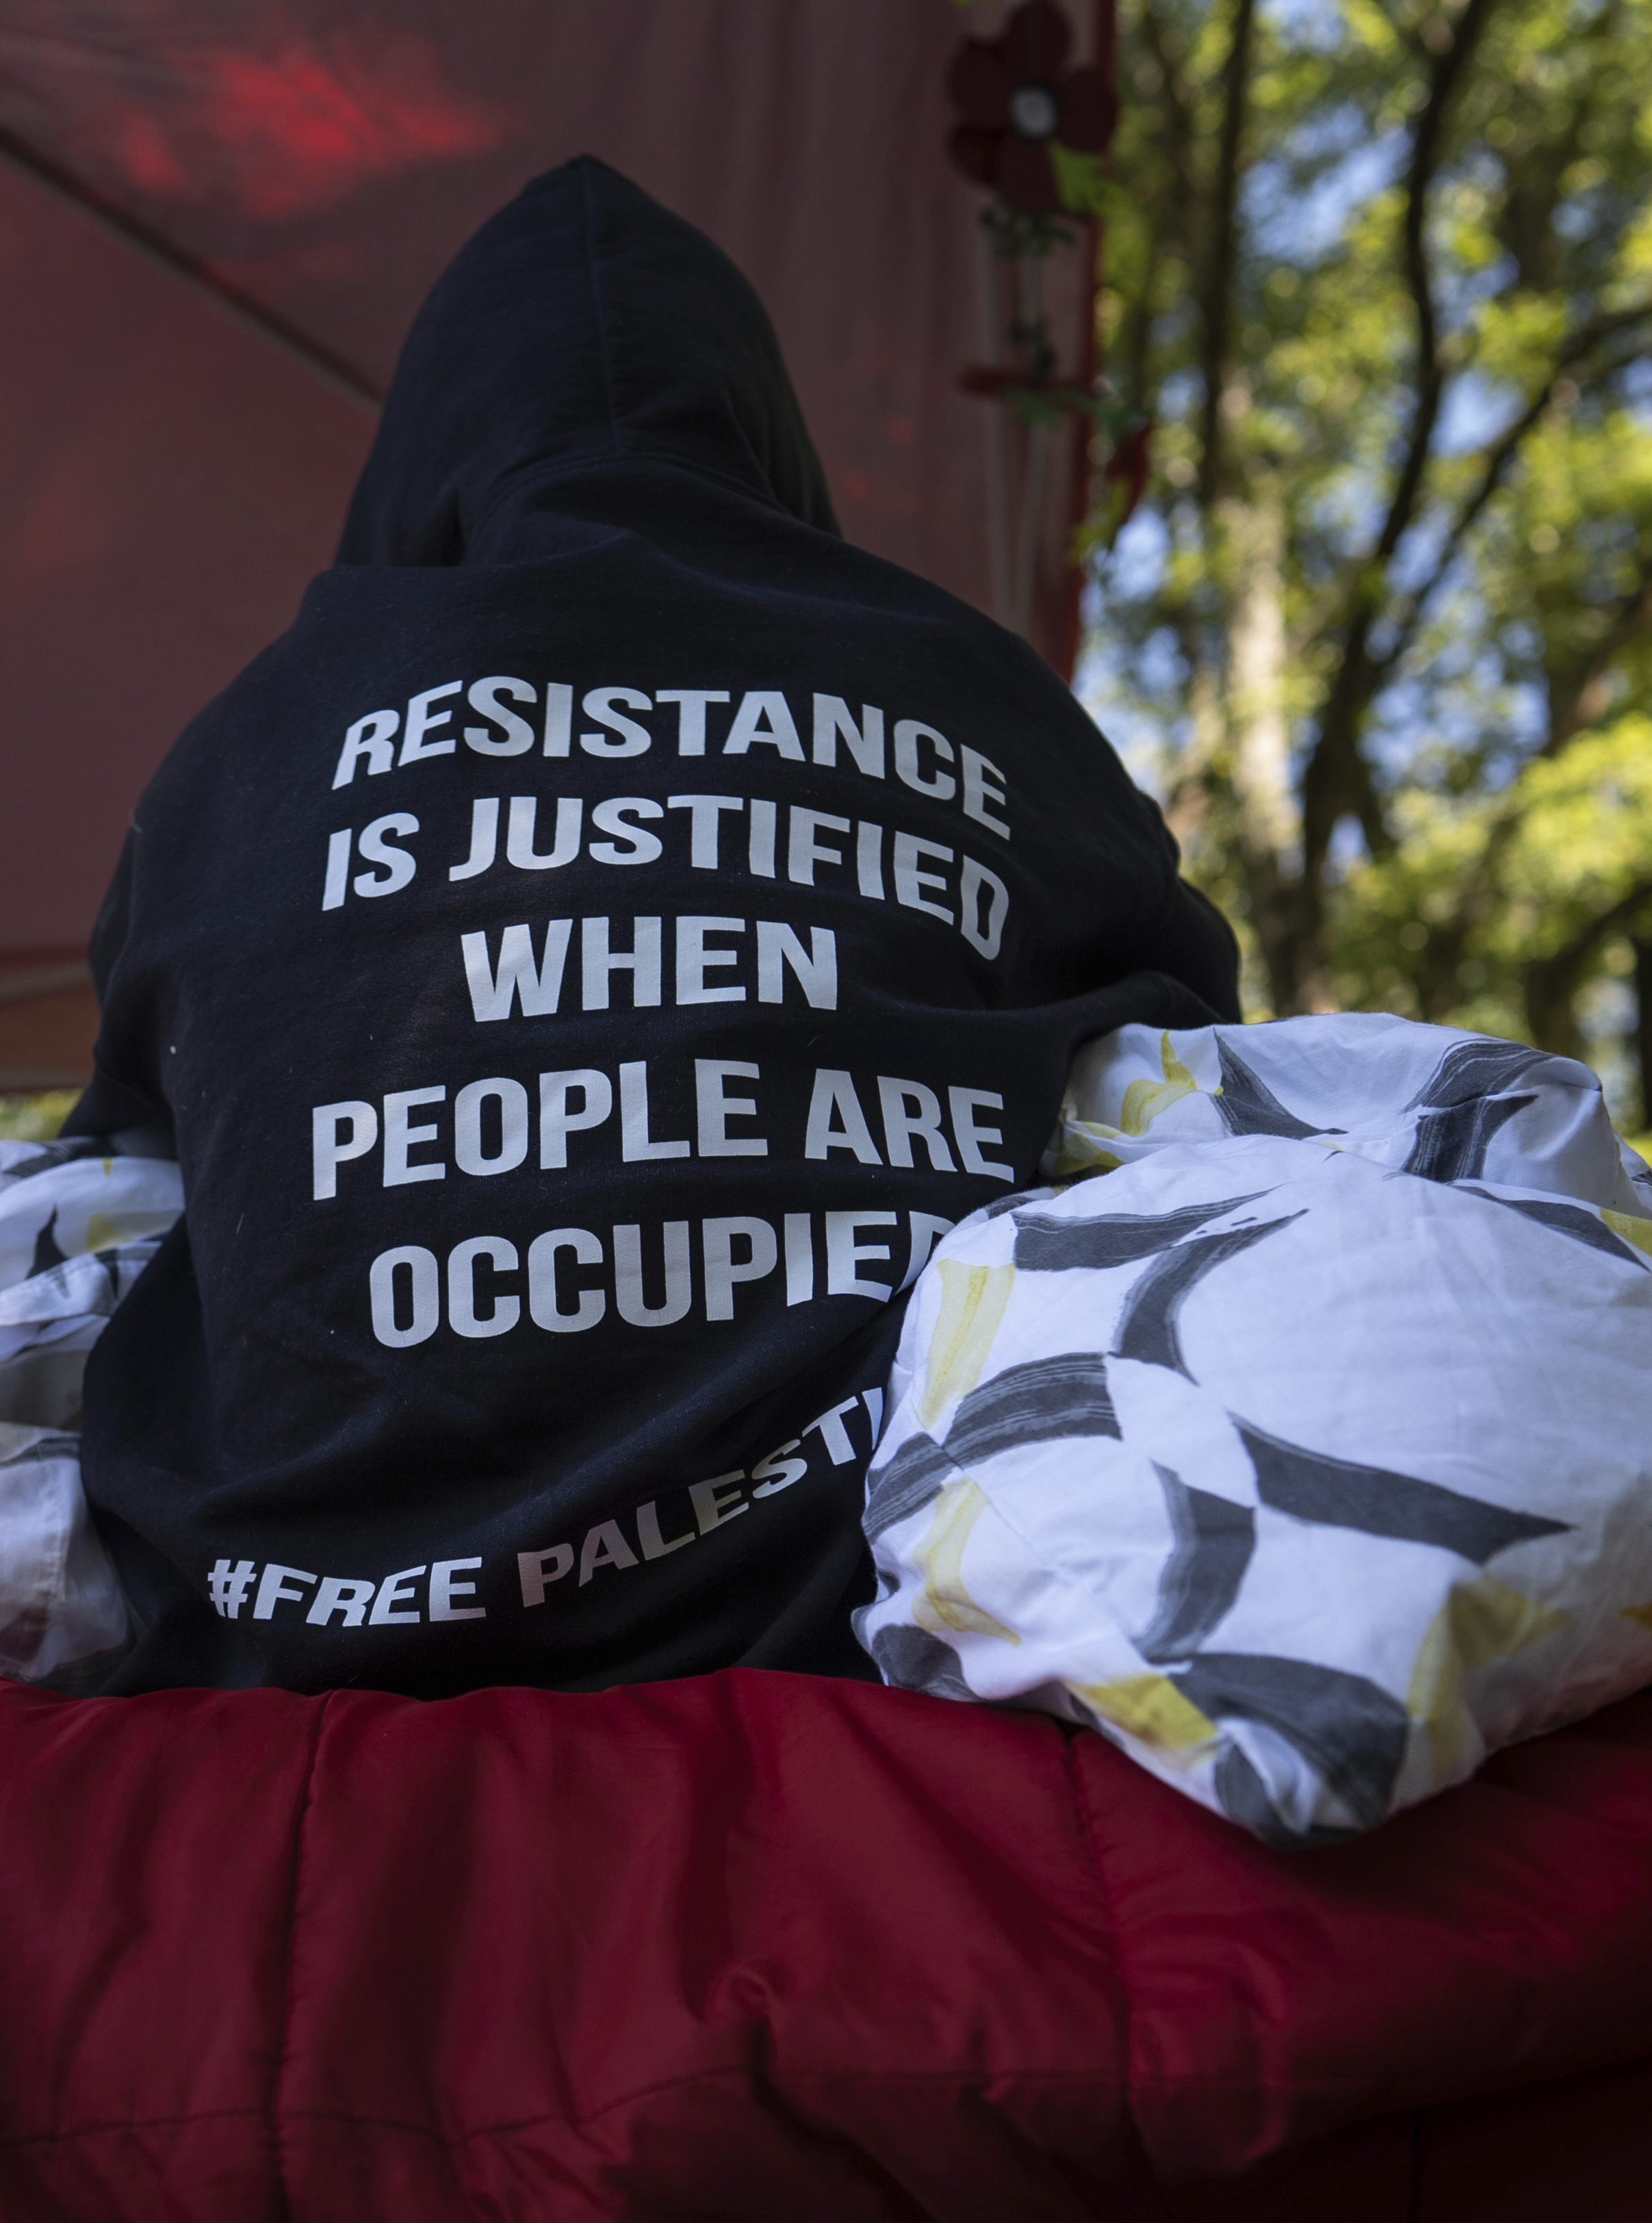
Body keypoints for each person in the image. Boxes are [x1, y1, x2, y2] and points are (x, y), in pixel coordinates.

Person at [64, 157, 1241, 1695]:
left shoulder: (246, 753)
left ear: (421, 460)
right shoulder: (975, 688)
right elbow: (1197, 1083)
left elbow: (118, 1177)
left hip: (297, 1655)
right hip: (868, 1621)